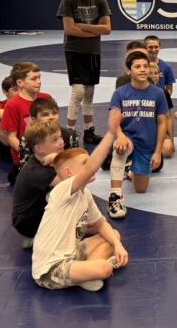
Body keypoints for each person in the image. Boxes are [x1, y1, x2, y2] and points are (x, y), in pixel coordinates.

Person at [32, 142, 130, 291]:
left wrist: (118, 245)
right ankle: (93, 271)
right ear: (69, 172)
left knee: (114, 236)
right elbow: (92, 168)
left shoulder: (85, 194)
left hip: (71, 252)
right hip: (50, 268)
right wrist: (110, 134)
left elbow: (101, 224)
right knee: (105, 268)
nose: (90, 165)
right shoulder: (61, 190)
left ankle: (88, 275)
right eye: (85, 163)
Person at [106, 51, 171, 218]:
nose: (142, 70)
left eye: (145, 66)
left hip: (147, 143)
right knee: (120, 148)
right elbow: (114, 119)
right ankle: (115, 197)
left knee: (141, 190)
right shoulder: (120, 93)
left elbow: (162, 122)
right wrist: (119, 135)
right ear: (128, 71)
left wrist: (157, 151)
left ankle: (130, 170)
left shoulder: (158, 93)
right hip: (127, 137)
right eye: (137, 67)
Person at [57, 0, 112, 145]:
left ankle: (89, 130)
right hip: (74, 50)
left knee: (89, 93)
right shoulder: (69, 0)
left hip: (93, 51)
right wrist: (94, 29)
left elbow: (107, 29)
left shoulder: (100, 0)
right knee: (78, 91)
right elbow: (70, 30)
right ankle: (70, 133)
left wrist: (82, 25)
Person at [12, 120, 66, 249]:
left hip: (31, 213)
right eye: (55, 140)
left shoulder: (40, 160)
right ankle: (39, 235)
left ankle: (41, 235)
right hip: (26, 222)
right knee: (66, 193)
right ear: (39, 148)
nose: (61, 142)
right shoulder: (36, 171)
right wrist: (57, 158)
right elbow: (73, 181)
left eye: (60, 137)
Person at [0, 62, 51, 184]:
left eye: (39, 77)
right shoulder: (13, 105)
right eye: (34, 79)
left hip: (47, 152)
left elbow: (53, 128)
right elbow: (11, 137)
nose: (39, 81)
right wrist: (29, 153)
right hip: (25, 158)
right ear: (20, 83)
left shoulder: (46, 98)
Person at [17, 96, 79, 170]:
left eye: (55, 113)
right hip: (36, 175)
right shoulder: (26, 138)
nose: (51, 117)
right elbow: (24, 168)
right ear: (34, 119)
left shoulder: (70, 136)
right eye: (45, 114)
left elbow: (76, 164)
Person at [148, 61, 175, 158]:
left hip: (159, 129)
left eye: (156, 73)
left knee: (168, 151)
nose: (154, 76)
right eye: (150, 73)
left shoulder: (163, 92)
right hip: (143, 129)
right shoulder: (139, 90)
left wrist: (172, 141)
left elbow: (168, 118)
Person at [0, 76, 19, 161]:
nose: (19, 93)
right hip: (5, 146)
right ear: (5, 92)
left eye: (22, 89)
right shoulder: (1, 104)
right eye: (15, 90)